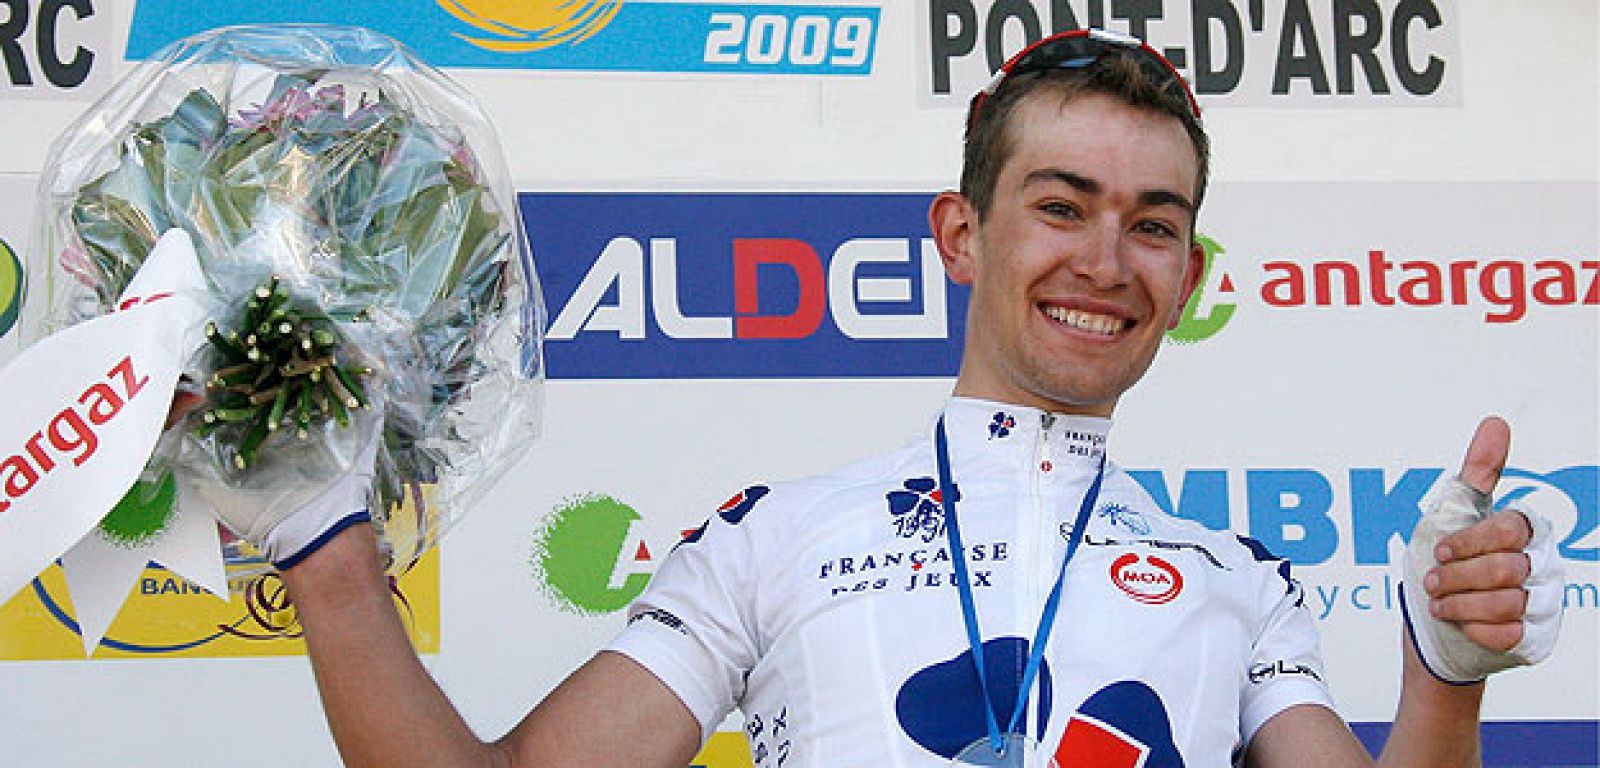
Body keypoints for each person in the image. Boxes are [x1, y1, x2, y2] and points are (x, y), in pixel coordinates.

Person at [256, 28, 1558, 768]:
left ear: (1191, 272)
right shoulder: (772, 538)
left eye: (1152, 224)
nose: (1105, 262)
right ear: (961, 234)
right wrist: (322, 541)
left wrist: (1444, 677)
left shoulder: (1241, 581)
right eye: (1061, 206)